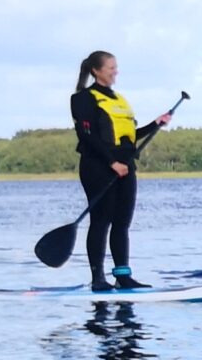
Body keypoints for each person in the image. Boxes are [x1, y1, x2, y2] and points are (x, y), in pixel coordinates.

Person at [68, 51, 172, 291]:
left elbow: (130, 137)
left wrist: (156, 124)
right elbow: (87, 136)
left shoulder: (118, 99)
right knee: (101, 221)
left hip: (126, 167)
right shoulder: (83, 98)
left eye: (116, 67)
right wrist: (111, 162)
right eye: (111, 67)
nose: (116, 71)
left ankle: (123, 276)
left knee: (122, 222)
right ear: (96, 71)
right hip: (98, 167)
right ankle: (98, 278)